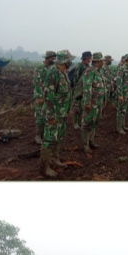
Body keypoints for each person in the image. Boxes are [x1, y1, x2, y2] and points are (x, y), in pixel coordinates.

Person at [40, 50, 75, 178]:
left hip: (62, 113)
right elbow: (48, 97)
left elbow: (65, 94)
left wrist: (68, 109)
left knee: (58, 137)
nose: (70, 62)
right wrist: (51, 116)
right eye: (69, 60)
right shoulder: (52, 73)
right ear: (64, 61)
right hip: (54, 114)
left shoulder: (63, 73)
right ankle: (44, 168)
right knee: (49, 139)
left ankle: (55, 159)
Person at [80, 52, 106, 152]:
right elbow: (87, 87)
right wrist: (87, 103)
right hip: (91, 103)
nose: (103, 63)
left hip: (98, 103)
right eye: (102, 61)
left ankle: (91, 141)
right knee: (87, 123)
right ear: (98, 61)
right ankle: (85, 145)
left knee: (94, 122)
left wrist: (103, 100)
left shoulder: (98, 71)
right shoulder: (89, 71)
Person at [32, 51, 57, 145]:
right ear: (47, 58)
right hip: (41, 96)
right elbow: (37, 82)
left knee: (48, 115)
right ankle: (37, 135)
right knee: (40, 116)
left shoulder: (53, 68)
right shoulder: (40, 68)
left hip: (49, 97)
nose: (54, 61)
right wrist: (39, 97)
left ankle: (45, 135)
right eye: (52, 59)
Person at [69, 51, 92, 130]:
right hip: (78, 89)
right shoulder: (80, 66)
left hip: (83, 89)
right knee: (76, 107)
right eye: (89, 58)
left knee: (81, 107)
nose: (90, 60)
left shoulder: (87, 66)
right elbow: (76, 78)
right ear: (85, 58)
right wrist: (76, 89)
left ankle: (79, 122)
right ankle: (75, 123)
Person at [116, 54, 128, 135]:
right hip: (123, 93)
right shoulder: (122, 68)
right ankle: (119, 128)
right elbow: (119, 82)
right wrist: (120, 94)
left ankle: (123, 126)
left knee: (125, 110)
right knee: (120, 111)